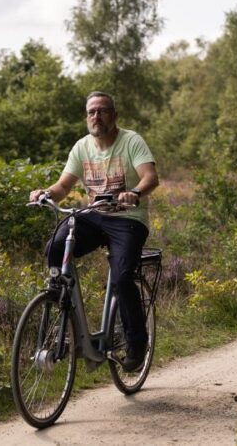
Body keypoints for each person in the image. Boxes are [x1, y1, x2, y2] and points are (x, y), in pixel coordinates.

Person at [29, 91, 159, 372]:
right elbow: (63, 187)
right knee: (55, 246)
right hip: (94, 216)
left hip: (128, 219)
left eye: (102, 111)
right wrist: (45, 193)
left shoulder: (131, 141)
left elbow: (150, 176)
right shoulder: (81, 147)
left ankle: (137, 342)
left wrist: (134, 192)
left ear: (114, 115)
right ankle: (63, 307)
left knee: (123, 277)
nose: (96, 116)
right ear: (87, 117)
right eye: (91, 112)